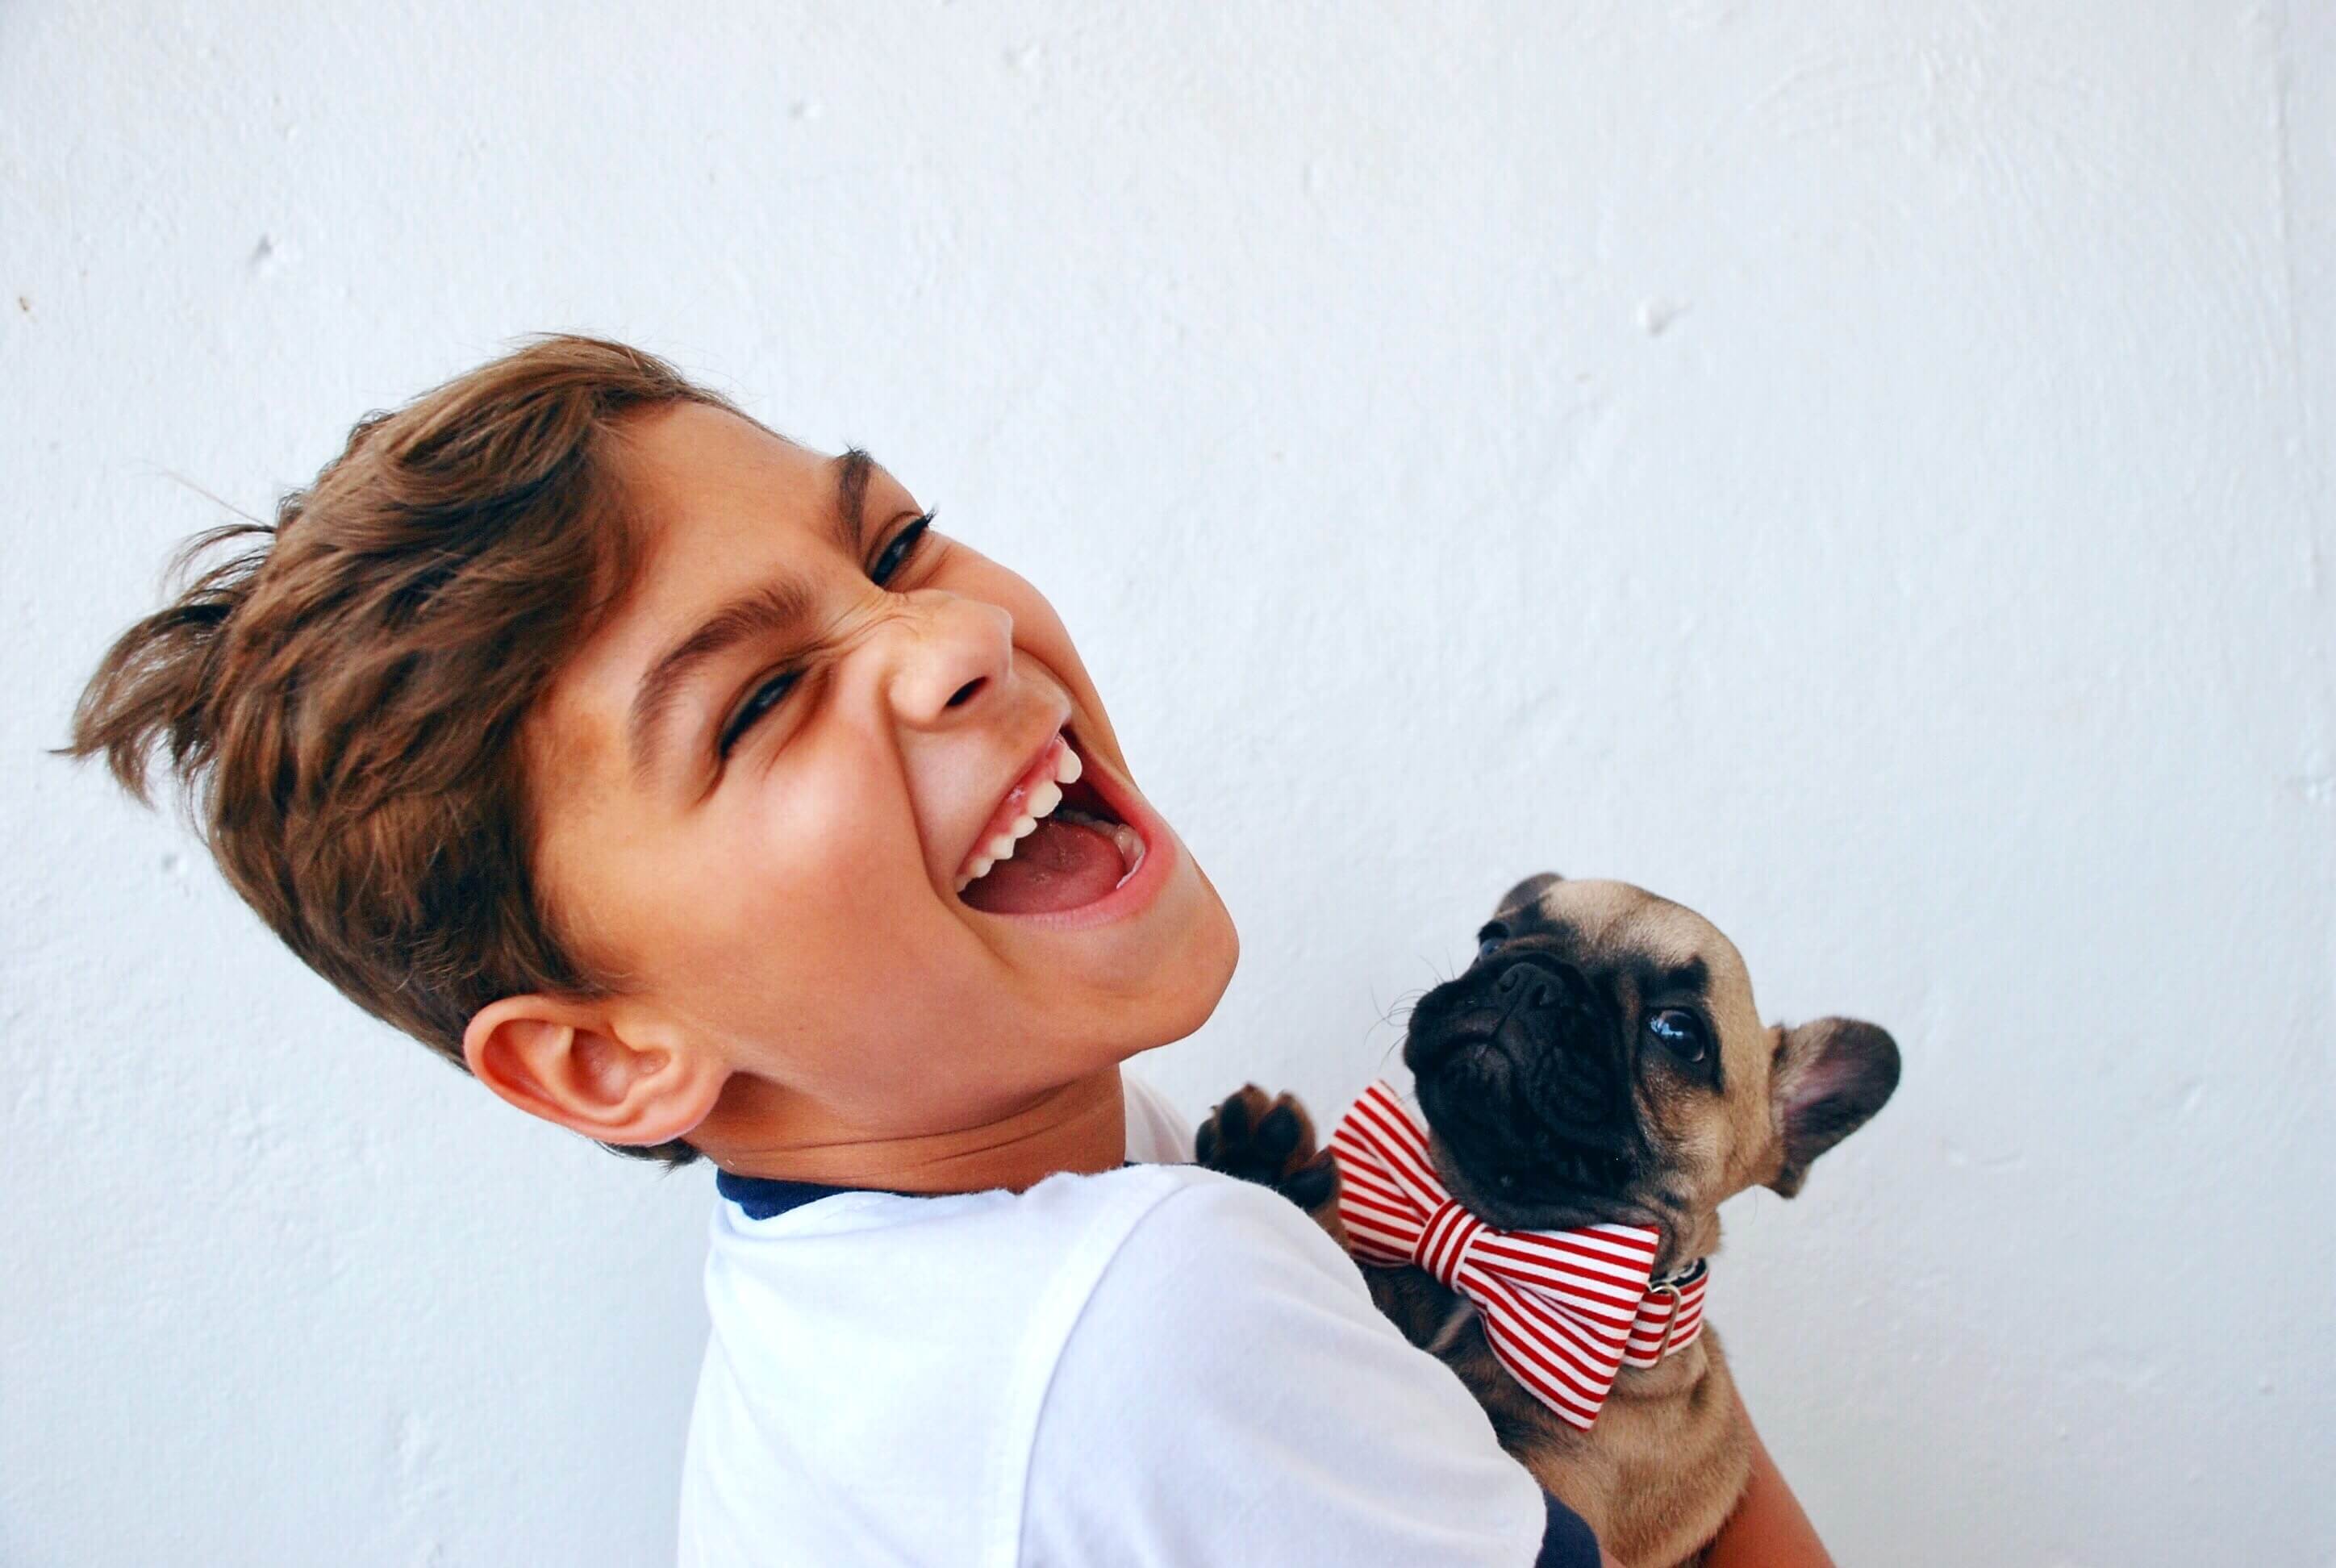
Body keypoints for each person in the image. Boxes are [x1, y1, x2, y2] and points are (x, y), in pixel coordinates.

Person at [62, 336, 1829, 1566]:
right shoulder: (1144, 1318)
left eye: (894, 547)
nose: (954, 634)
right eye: (758, 701)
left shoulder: (907, 1276)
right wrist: (1658, 1334)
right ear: (609, 1059)